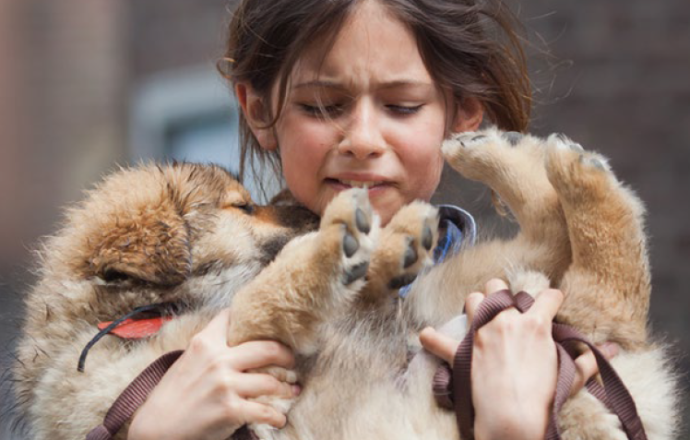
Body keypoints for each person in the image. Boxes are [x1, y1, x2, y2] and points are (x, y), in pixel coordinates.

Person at [128, 0, 618, 439]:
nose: (362, 139)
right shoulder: (171, 314)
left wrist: (516, 429)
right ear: (259, 110)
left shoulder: (536, 315)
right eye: (322, 106)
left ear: (464, 109)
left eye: (401, 106)